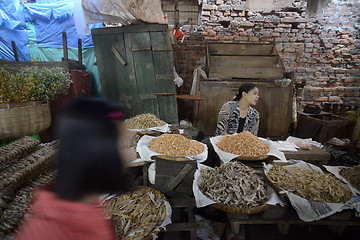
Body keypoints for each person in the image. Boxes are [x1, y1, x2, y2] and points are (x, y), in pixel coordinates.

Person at [15, 98, 130, 240]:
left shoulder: (85, 207)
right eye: (123, 146)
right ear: (99, 151)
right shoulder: (56, 230)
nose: (128, 156)